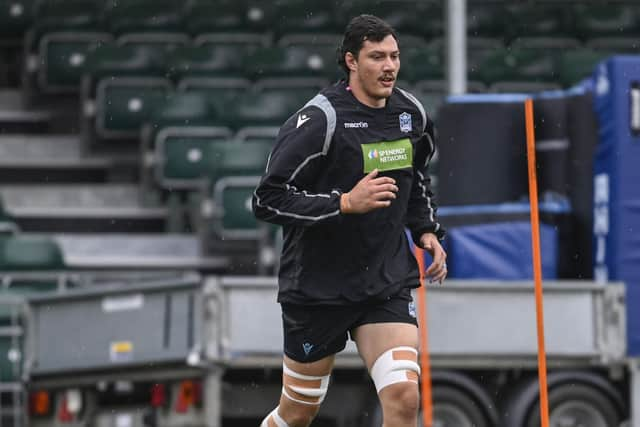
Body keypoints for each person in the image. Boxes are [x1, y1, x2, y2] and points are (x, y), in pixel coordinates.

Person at [252, 14, 447, 427]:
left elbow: (415, 179)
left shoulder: (411, 114)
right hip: (317, 289)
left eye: (394, 55)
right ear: (351, 61)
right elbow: (266, 200)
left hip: (383, 280)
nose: (390, 66)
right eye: (377, 56)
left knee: (404, 396)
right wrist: (343, 204)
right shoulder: (320, 120)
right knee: (299, 412)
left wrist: (426, 229)